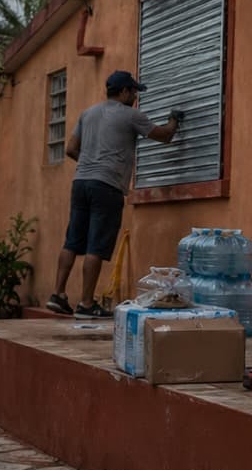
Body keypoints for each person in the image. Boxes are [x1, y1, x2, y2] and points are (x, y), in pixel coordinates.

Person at [45, 70, 182, 318]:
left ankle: (58, 294)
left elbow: (71, 149)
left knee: (72, 241)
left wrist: (91, 163)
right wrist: (174, 119)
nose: (135, 97)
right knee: (96, 245)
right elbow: (164, 136)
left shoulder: (88, 114)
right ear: (124, 91)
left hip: (81, 183)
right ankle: (86, 304)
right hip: (106, 186)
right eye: (133, 92)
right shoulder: (131, 115)